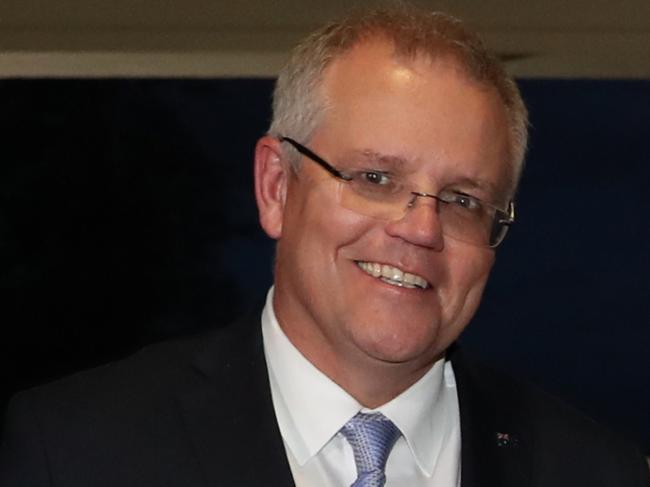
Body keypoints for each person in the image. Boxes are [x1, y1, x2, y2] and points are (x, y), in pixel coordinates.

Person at [1, 5, 648, 487]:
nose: (420, 229)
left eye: (462, 200)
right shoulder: (74, 449)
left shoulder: (598, 470)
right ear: (277, 186)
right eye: (375, 178)